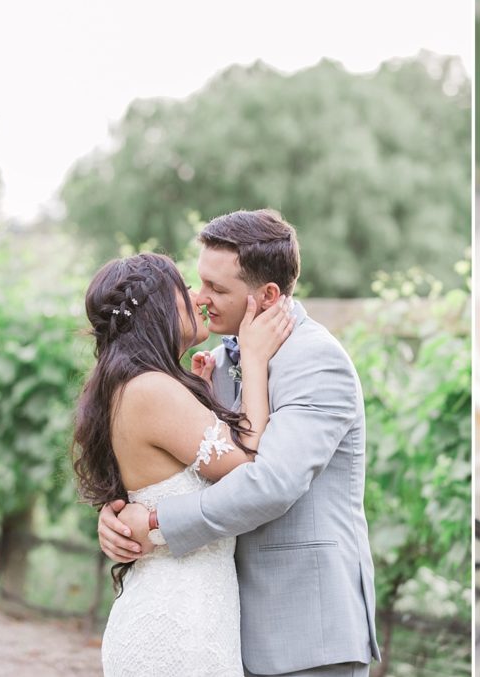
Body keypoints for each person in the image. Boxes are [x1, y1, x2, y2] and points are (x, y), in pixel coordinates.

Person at [97, 209, 380, 677]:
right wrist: (118, 522)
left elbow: (270, 483)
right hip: (221, 624)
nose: (199, 299)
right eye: (199, 281)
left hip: (306, 633)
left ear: (267, 295)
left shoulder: (316, 362)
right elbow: (182, 465)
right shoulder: (218, 362)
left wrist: (153, 522)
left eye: (217, 289)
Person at [74, 251, 296, 676]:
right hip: (176, 623)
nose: (197, 297)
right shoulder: (150, 389)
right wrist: (253, 358)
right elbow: (247, 464)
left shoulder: (134, 384)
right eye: (185, 287)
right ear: (159, 307)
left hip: (190, 613)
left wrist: (206, 394)